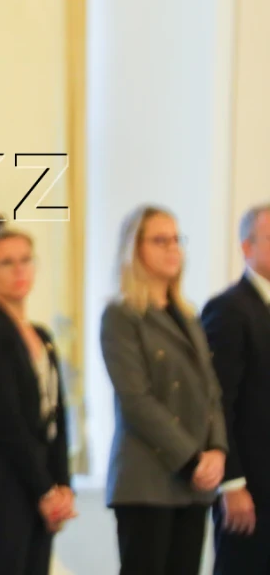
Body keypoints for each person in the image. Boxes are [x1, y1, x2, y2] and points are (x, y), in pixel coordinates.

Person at [102, 204, 227, 575]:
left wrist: (217, 450)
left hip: (194, 484)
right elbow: (136, 399)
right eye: (161, 240)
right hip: (147, 480)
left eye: (177, 239)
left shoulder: (188, 315)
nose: (173, 248)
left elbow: (211, 393)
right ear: (134, 248)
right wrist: (192, 458)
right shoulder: (121, 316)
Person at [0, 213, 74, 575]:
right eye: (6, 262)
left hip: (38, 482)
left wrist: (63, 486)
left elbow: (58, 414)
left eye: (25, 259)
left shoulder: (42, 336)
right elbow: (6, 422)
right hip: (2, 482)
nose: (19, 270)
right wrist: (45, 491)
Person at [201, 203, 270, 574]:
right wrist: (232, 483)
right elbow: (217, 402)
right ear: (247, 247)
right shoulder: (229, 309)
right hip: (252, 490)